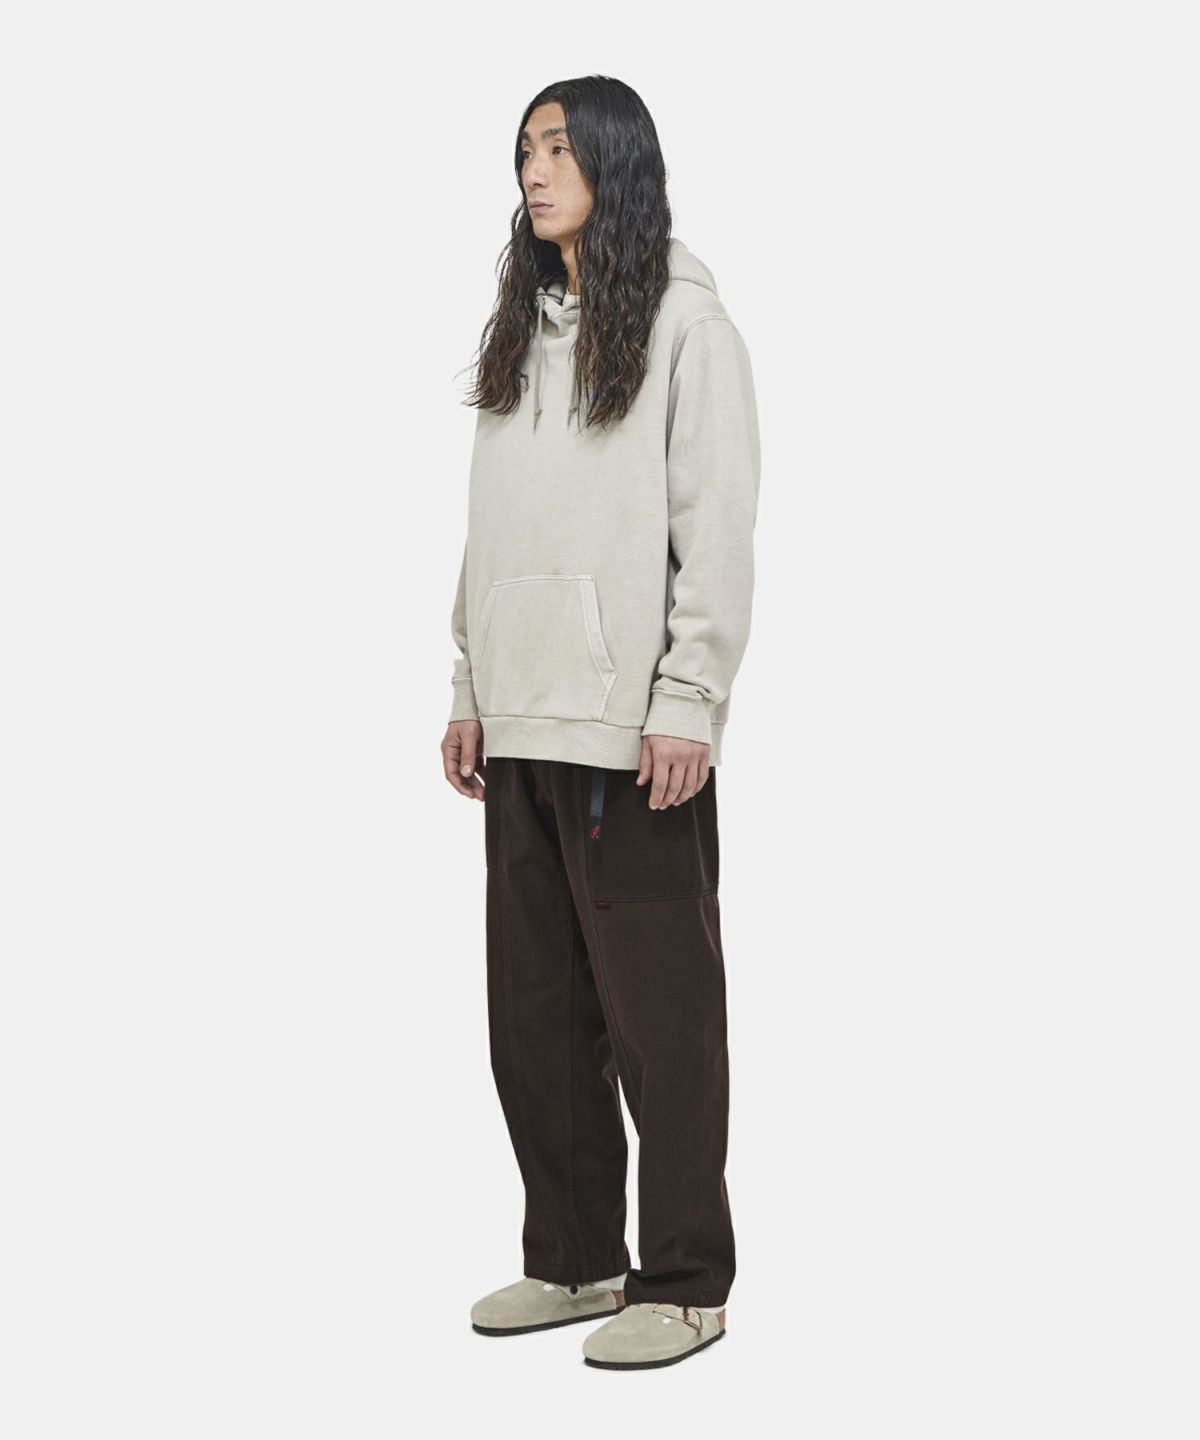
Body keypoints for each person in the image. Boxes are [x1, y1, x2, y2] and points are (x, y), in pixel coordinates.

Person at [440, 75, 760, 1372]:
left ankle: (684, 1283)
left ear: (617, 163)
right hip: (521, 721)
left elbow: (714, 529)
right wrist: (469, 686)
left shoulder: (687, 327)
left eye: (562, 147)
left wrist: (689, 700)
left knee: (660, 1023)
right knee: (533, 1017)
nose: (536, 168)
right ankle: (573, 1260)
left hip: (629, 742)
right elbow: (489, 528)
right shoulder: (517, 332)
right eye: (525, 147)